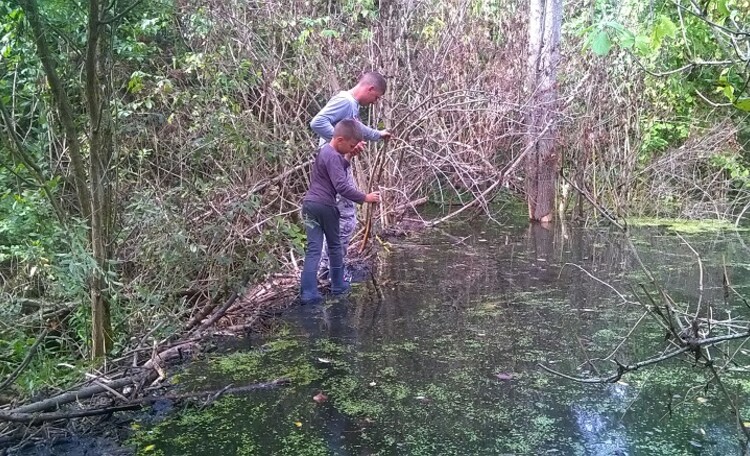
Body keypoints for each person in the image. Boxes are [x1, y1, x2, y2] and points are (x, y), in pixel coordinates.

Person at [310, 71, 391, 277]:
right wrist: (341, 143)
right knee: (346, 218)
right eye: (377, 97)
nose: (375, 102)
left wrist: (376, 135)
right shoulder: (345, 101)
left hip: (336, 162)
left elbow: (355, 128)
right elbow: (317, 122)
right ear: (370, 89)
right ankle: (330, 270)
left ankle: (327, 268)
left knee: (340, 216)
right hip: (332, 163)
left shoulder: (351, 105)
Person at [300, 119, 381, 305]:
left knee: (313, 250)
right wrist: (365, 198)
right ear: (340, 139)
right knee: (335, 247)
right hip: (325, 207)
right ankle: (338, 285)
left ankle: (308, 294)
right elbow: (342, 186)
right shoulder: (334, 155)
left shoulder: (324, 152)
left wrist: (349, 157)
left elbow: (336, 171)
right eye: (350, 146)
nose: (351, 149)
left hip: (310, 205)